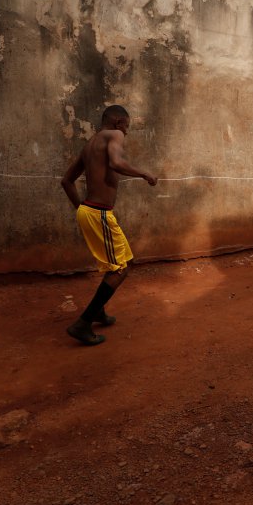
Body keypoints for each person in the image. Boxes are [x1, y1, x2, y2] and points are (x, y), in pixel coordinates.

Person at [60, 105, 157, 346]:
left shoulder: (90, 144)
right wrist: (145, 174)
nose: (127, 132)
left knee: (125, 261)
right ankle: (83, 323)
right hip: (99, 213)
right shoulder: (115, 135)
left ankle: (98, 310)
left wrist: (81, 209)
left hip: (92, 211)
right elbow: (115, 162)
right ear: (117, 122)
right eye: (126, 126)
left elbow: (66, 181)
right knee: (119, 269)